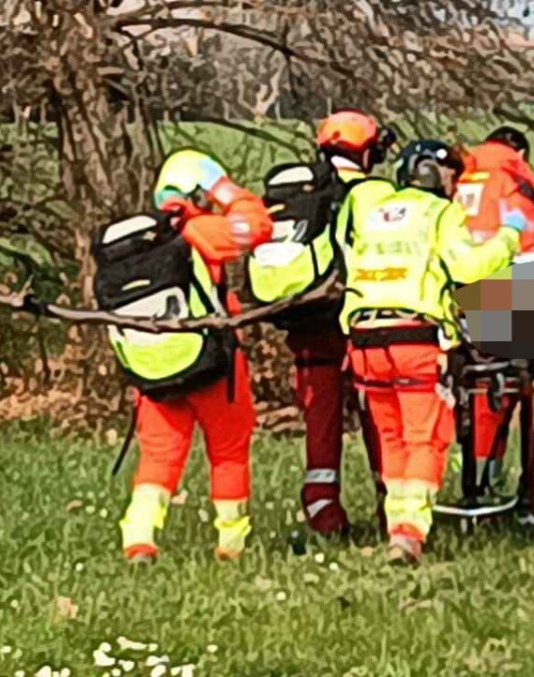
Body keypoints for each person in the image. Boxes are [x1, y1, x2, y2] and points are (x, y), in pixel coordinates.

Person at [339, 139, 524, 564]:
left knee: (390, 437)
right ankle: (408, 532)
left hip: (365, 335)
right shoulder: (440, 213)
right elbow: (468, 270)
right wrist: (508, 240)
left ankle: (395, 522)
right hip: (415, 336)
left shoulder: (374, 213)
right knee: (424, 436)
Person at [117, 149, 273, 563]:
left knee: (158, 456)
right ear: (199, 193)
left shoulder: (137, 243)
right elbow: (258, 228)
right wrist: (231, 194)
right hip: (211, 366)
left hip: (153, 370)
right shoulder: (201, 230)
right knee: (228, 450)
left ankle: (139, 538)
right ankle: (231, 544)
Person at [268, 110, 397, 538]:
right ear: (368, 152)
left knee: (320, 420)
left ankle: (322, 508)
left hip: (306, 323)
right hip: (359, 322)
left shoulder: (304, 194)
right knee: (379, 415)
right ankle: (393, 507)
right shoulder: (375, 194)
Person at [454, 126, 534, 490]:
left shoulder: (461, 168)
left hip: (456, 281)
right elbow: (527, 239)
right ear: (520, 151)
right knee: (505, 382)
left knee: (471, 382)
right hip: (505, 279)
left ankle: (474, 470)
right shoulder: (515, 172)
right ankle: (493, 476)